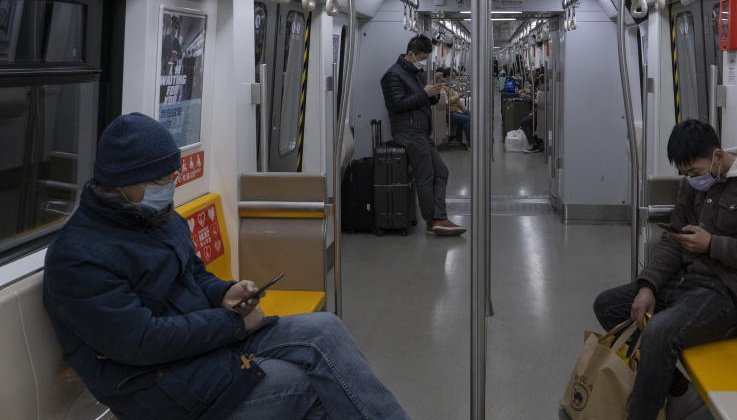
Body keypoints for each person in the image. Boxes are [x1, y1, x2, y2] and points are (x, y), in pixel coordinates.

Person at [43, 112, 409, 420]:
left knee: (325, 331)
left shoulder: (159, 219)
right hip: (157, 383)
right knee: (309, 384)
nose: (170, 187)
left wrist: (223, 293)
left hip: (206, 345)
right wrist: (232, 323)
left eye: (173, 176)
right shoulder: (79, 257)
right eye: (159, 180)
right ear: (120, 183)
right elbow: (140, 342)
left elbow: (194, 275)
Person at [592, 119, 737, 420]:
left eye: (695, 172)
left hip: (732, 294)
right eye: (684, 173)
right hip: (687, 282)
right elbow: (675, 241)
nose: (691, 179)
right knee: (610, 305)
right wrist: (648, 285)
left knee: (658, 332)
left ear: (717, 155)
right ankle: (679, 390)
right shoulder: (691, 187)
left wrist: (712, 244)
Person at [381, 36, 466, 236]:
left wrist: (434, 96)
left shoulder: (416, 74)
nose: (424, 61)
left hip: (420, 131)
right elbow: (396, 105)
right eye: (422, 57)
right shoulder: (393, 76)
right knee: (425, 176)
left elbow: (423, 99)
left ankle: (438, 217)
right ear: (411, 54)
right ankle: (434, 221)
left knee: (442, 171)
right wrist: (424, 95)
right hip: (407, 131)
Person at [437, 68, 470, 147]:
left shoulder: (450, 88)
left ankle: (457, 140)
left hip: (453, 112)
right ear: (448, 76)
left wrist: (466, 111)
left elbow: (458, 102)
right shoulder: (442, 88)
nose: (454, 79)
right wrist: (457, 96)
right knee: (467, 120)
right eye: (453, 77)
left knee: (467, 116)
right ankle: (470, 142)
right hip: (447, 114)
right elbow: (445, 101)